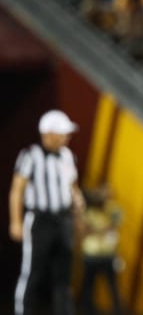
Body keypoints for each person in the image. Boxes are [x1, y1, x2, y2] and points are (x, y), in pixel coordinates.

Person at [9, 109, 86, 315]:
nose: (67, 137)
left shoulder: (67, 156)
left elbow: (73, 187)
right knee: (32, 273)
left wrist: (78, 214)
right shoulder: (31, 156)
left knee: (64, 276)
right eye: (63, 133)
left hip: (63, 220)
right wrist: (15, 221)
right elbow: (17, 190)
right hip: (39, 220)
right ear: (49, 133)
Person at [79, 184, 123, 315]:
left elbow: (117, 221)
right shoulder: (88, 211)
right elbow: (84, 230)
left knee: (113, 288)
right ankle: (87, 310)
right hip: (91, 255)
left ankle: (118, 311)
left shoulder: (110, 210)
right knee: (88, 287)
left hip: (108, 255)